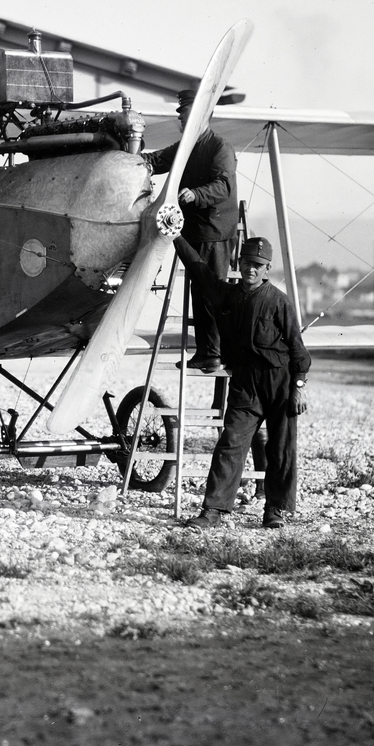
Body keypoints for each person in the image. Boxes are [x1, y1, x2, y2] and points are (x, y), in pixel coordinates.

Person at [170, 234, 310, 529]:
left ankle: (275, 510)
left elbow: (298, 349)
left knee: (281, 448)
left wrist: (298, 387)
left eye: (258, 265)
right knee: (230, 442)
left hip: (279, 383)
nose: (251, 269)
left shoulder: (279, 302)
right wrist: (176, 235)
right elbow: (199, 269)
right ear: (238, 263)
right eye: (247, 262)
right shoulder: (227, 295)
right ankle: (213, 510)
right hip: (245, 384)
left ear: (267, 268)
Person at [142, 89, 237, 373]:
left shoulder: (220, 147)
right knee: (201, 288)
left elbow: (224, 186)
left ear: (203, 116)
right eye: (182, 117)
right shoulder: (187, 146)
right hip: (196, 231)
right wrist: (136, 157)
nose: (183, 121)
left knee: (211, 291)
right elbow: (159, 159)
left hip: (215, 232)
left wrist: (196, 195)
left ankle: (214, 353)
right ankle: (208, 352)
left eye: (187, 116)